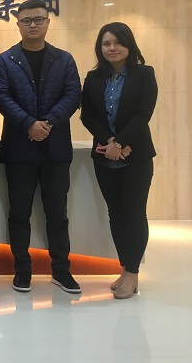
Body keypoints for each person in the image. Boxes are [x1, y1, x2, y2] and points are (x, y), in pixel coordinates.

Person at [0, 0, 82, 294]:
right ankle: (22, 271)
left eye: (38, 20)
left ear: (48, 22)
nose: (33, 25)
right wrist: (29, 123)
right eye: (27, 20)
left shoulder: (64, 59)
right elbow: (1, 97)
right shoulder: (5, 61)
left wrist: (49, 122)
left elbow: (73, 94)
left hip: (56, 150)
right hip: (19, 149)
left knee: (57, 214)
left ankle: (62, 271)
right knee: (19, 214)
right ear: (18, 24)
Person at [81, 22, 157, 299]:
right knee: (116, 213)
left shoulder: (144, 74)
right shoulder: (93, 77)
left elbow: (143, 114)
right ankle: (125, 268)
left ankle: (133, 273)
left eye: (117, 42)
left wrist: (120, 143)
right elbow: (87, 115)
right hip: (104, 155)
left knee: (134, 213)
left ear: (129, 44)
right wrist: (109, 142)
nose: (112, 48)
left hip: (136, 156)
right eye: (106, 43)